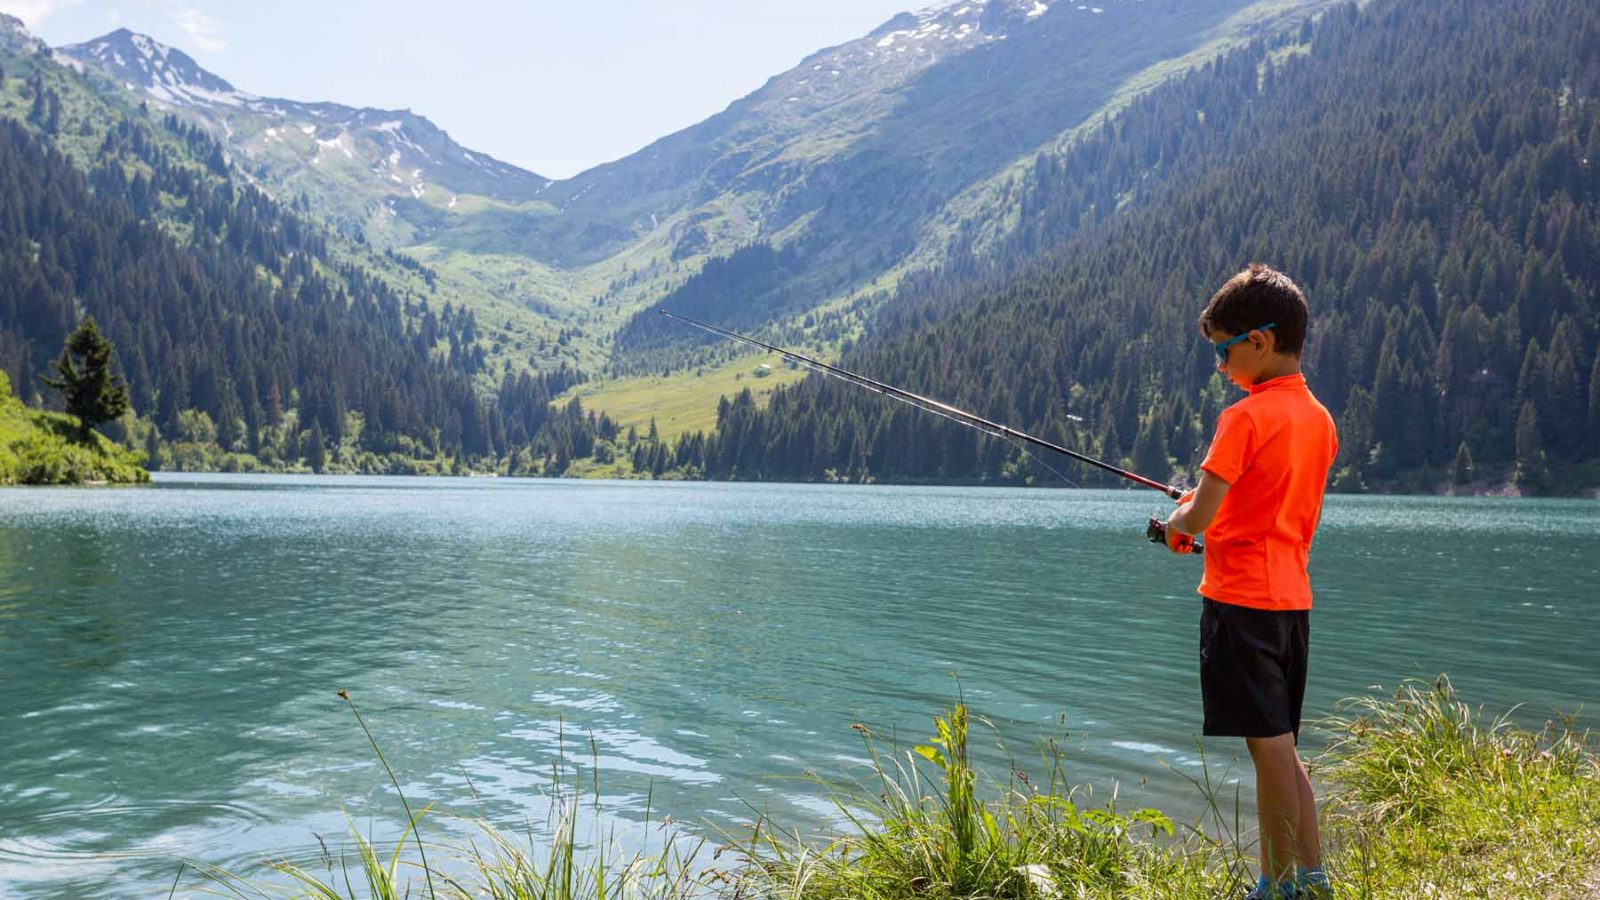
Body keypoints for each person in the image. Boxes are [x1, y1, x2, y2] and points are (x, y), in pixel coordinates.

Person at [1163, 264, 1338, 900]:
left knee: (1268, 753)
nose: (1220, 365)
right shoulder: (1318, 419)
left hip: (1240, 606)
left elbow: (1198, 517)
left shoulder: (1243, 418)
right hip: (1291, 603)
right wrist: (1199, 509)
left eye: (1223, 350)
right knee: (1283, 748)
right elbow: (1259, 500)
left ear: (1258, 342)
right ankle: (1312, 877)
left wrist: (1177, 522)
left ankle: (1276, 884)